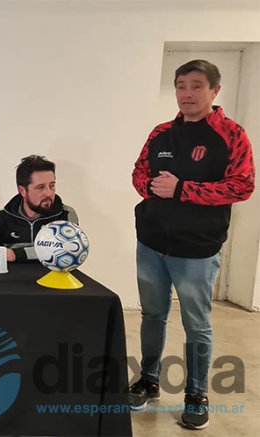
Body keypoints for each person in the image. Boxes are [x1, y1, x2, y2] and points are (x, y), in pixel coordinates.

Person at [129, 59, 254, 430]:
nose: (187, 93)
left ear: (215, 91)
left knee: (196, 324)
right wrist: (152, 187)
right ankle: (148, 380)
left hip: (197, 249)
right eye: (181, 85)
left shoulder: (232, 135)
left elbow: (243, 185)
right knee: (152, 315)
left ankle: (196, 393)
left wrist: (183, 190)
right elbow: (139, 173)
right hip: (151, 243)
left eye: (196, 86)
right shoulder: (161, 133)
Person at [0, 155, 77, 262]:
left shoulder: (66, 214)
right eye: (40, 187)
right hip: (12, 278)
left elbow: (68, 250)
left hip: (53, 278)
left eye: (52, 186)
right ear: (22, 191)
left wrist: (17, 254)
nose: (49, 193)